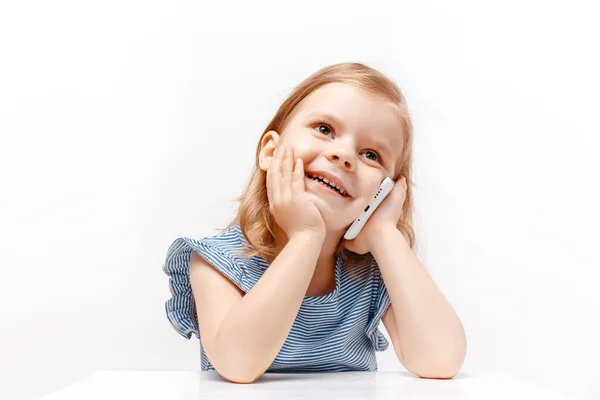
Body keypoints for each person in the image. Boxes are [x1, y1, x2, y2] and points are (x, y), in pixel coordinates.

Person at [162, 62, 467, 383]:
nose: (343, 155)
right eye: (324, 129)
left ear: (385, 191)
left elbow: (441, 361)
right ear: (270, 150)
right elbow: (238, 364)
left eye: (371, 155)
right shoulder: (217, 262)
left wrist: (384, 233)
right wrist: (306, 237)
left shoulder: (371, 273)